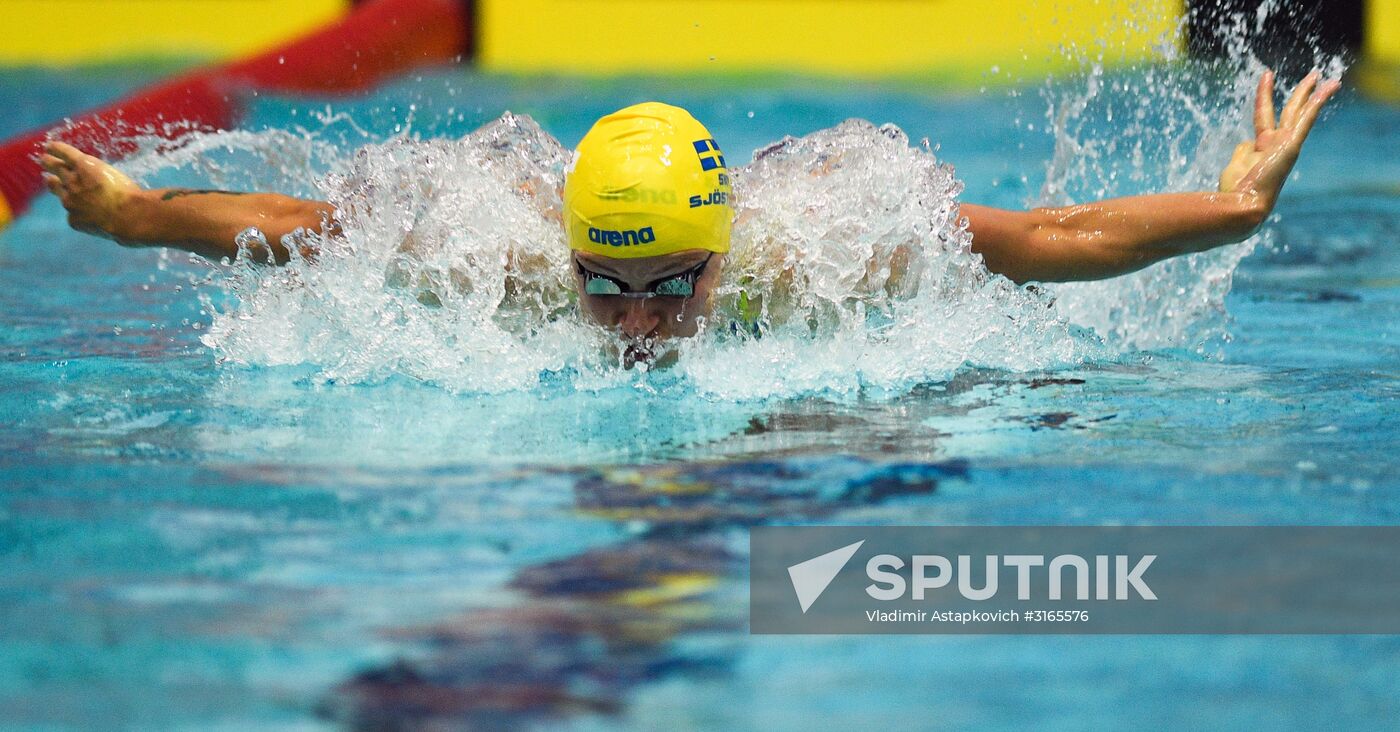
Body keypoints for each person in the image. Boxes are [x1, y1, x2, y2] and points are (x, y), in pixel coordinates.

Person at [39, 70, 1339, 358]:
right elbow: (317, 225)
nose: (641, 321)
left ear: (725, 253)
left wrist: (1231, 211)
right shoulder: (515, 266)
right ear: (571, 251)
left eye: (676, 285)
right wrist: (138, 218)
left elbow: (1051, 245)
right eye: (612, 285)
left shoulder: (820, 250)